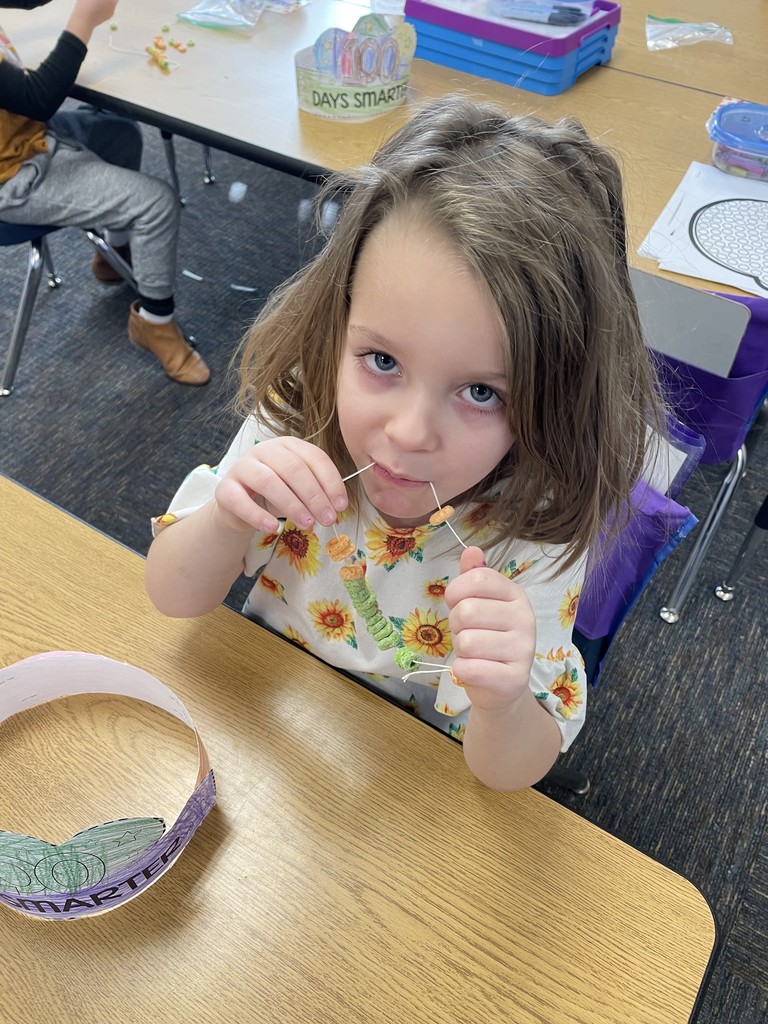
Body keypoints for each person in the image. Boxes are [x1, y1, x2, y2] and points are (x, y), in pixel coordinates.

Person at [145, 97, 664, 790]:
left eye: (482, 392)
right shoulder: (304, 415)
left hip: (419, 784)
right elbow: (172, 595)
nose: (410, 434)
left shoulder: (534, 520)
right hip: (264, 734)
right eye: (382, 361)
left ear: (550, 400)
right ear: (340, 318)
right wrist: (227, 518)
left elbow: (512, 772)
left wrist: (506, 700)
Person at [0, 0, 210, 385]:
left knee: (121, 135)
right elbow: (38, 98)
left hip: (22, 137)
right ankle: (155, 325)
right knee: (156, 204)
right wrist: (85, 18)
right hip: (12, 178)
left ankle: (113, 257)